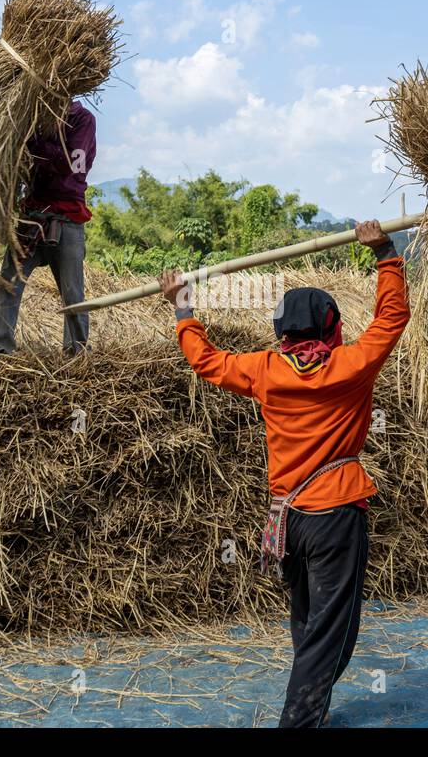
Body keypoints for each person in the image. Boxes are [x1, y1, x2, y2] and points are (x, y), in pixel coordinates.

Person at [158, 220, 410, 727]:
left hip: (288, 518)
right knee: (330, 629)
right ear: (331, 327)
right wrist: (384, 252)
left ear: (282, 331)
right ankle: (298, 721)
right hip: (336, 514)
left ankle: (310, 707)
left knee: (306, 621)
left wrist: (183, 305)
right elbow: (393, 316)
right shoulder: (352, 366)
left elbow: (205, 361)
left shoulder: (264, 370)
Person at [0, 99, 96, 355]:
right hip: (32, 214)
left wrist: (34, 145)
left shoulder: (82, 119)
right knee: (8, 282)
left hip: (67, 216)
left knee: (73, 292)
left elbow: (74, 165)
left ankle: (76, 353)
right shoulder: (31, 114)